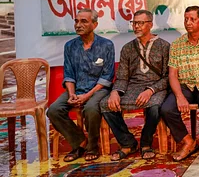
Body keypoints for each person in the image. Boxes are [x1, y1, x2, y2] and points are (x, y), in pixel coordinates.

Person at [101, 10, 170, 161]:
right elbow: (122, 77)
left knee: (154, 106)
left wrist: (150, 90)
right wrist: (115, 92)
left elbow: (167, 77)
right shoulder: (127, 48)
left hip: (156, 87)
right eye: (134, 23)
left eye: (140, 23)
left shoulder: (164, 46)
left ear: (150, 24)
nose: (136, 26)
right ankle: (127, 143)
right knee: (106, 104)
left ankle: (145, 143)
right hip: (133, 87)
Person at [47, 9, 114, 162]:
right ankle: (80, 142)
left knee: (91, 109)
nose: (78, 25)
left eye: (84, 21)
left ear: (94, 24)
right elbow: (69, 74)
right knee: (54, 110)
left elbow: (106, 77)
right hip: (76, 89)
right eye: (76, 21)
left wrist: (86, 96)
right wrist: (71, 94)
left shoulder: (106, 45)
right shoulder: (70, 46)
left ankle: (92, 146)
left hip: (99, 89)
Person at [160, 6, 199, 162]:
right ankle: (188, 141)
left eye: (192, 19)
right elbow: (172, 74)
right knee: (167, 109)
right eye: (186, 19)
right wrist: (179, 96)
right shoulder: (177, 45)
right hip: (185, 86)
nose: (188, 23)